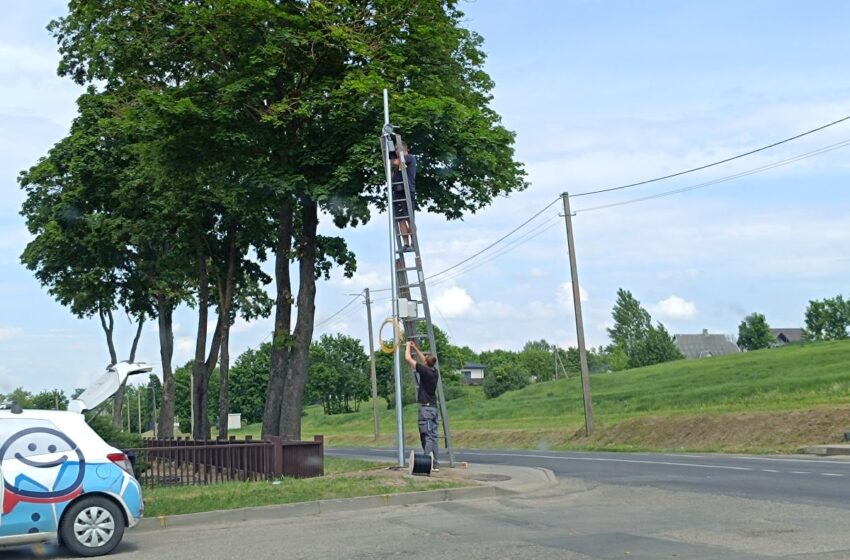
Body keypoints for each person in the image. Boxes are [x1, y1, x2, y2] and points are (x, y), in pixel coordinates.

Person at [404, 340, 439, 471]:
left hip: (426, 410)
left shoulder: (425, 371)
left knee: (427, 437)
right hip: (434, 409)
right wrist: (416, 348)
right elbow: (425, 359)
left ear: (425, 364)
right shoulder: (434, 371)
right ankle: (434, 463)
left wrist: (408, 347)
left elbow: (407, 358)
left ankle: (427, 463)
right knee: (433, 436)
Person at [391, 141, 417, 250]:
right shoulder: (397, 167)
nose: (396, 151)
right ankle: (405, 244)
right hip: (398, 192)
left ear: (405, 150)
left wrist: (389, 156)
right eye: (396, 149)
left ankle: (413, 243)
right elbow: (392, 175)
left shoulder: (409, 158)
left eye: (398, 149)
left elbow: (396, 162)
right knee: (400, 219)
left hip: (407, 191)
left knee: (409, 219)